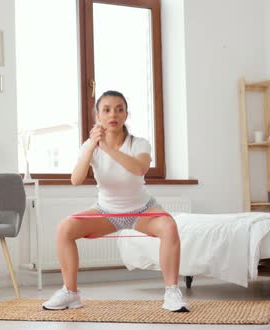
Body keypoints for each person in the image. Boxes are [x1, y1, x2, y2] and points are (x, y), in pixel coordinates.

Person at [42, 90, 189, 312]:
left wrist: (107, 148)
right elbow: (76, 179)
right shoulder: (90, 146)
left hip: (142, 210)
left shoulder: (139, 143)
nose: (113, 114)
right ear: (97, 116)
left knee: (169, 226)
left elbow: (139, 169)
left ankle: (171, 293)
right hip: (106, 211)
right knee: (65, 228)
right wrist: (92, 147)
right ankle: (70, 293)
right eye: (107, 109)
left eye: (119, 109)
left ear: (126, 115)